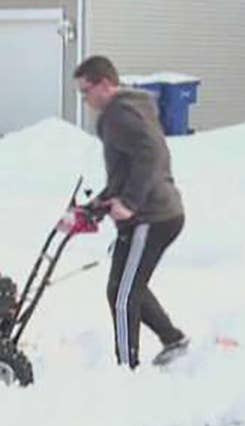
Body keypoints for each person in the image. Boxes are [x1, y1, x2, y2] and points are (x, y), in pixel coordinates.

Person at [74, 55, 189, 368]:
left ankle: (127, 371)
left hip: (152, 216)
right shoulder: (125, 111)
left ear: (105, 84)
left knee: (124, 294)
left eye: (86, 92)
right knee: (124, 288)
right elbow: (125, 171)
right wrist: (94, 208)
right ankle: (173, 339)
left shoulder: (119, 114)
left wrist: (131, 203)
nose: (84, 100)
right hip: (152, 213)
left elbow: (149, 153)